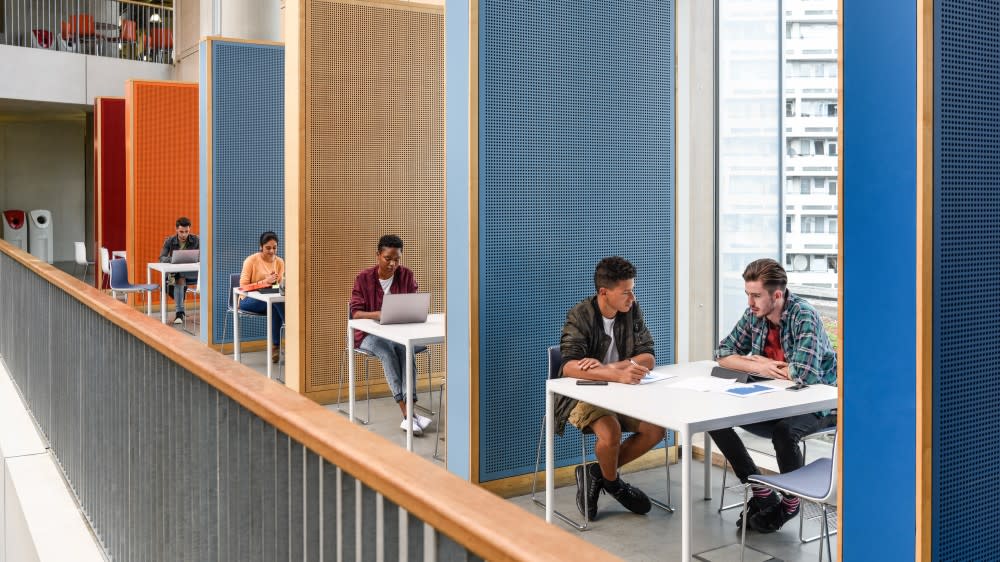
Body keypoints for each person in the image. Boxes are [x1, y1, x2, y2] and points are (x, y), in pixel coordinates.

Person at [708, 258, 837, 534]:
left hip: (817, 405)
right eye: (748, 295)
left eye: (756, 296)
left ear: (777, 295)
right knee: (713, 419)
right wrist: (759, 365)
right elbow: (722, 353)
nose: (750, 302)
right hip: (775, 399)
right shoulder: (755, 315)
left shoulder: (804, 315)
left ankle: (791, 503)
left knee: (784, 433)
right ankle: (762, 492)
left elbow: (804, 374)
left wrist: (752, 361)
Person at [557, 256, 666, 521]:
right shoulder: (580, 314)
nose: (632, 297)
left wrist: (613, 368)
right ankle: (614, 483)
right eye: (626, 291)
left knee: (656, 429)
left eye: (633, 289)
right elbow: (570, 367)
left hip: (622, 392)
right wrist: (616, 374)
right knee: (611, 431)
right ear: (604, 292)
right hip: (582, 394)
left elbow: (648, 357)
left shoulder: (632, 309)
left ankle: (597, 473)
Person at [349, 235, 431, 435]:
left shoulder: (407, 276)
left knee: (405, 349)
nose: (393, 264)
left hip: (399, 333)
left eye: (397, 259)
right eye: (388, 258)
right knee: (387, 352)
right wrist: (378, 314)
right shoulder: (363, 278)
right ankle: (408, 414)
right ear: (378, 255)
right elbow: (355, 313)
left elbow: (413, 306)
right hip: (367, 336)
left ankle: (410, 416)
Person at [239, 231, 286, 364]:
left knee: (275, 303)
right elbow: (243, 286)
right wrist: (265, 282)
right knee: (276, 303)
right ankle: (288, 327)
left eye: (274, 247)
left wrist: (276, 283)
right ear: (261, 247)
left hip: (269, 300)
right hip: (247, 301)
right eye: (268, 248)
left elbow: (279, 286)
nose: (272, 251)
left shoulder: (280, 262)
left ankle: (275, 346)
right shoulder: (251, 260)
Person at [158, 217, 199, 325]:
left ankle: (180, 312)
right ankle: (179, 312)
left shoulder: (196, 240)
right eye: (181, 231)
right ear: (176, 229)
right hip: (175, 274)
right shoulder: (169, 241)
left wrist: (197, 258)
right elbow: (161, 258)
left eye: (187, 231)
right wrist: (173, 259)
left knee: (178, 277)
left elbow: (204, 256)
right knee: (177, 277)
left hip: (192, 273)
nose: (184, 234)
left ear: (189, 229)